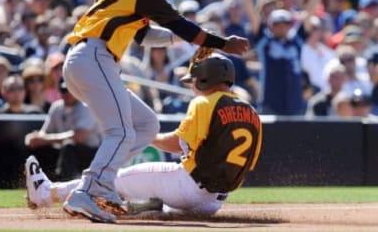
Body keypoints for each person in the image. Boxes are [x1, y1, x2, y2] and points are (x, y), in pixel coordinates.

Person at [61, 0, 249, 223]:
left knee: (146, 125)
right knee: (121, 132)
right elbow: (180, 24)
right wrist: (222, 43)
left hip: (87, 59)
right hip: (94, 57)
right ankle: (88, 190)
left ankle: (102, 183)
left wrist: (186, 39)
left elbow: (142, 35)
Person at [25, 54, 262, 218]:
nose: (191, 86)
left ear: (205, 79)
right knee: (157, 205)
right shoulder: (252, 112)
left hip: (186, 188)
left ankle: (45, 193)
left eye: (193, 80)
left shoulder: (204, 103)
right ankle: (147, 208)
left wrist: (148, 135)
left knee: (113, 178)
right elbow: (249, 164)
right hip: (214, 202)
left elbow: (175, 144)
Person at [25, 78, 102, 181]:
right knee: (40, 147)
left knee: (68, 146)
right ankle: (38, 183)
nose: (67, 94)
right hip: (65, 152)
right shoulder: (57, 107)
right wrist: (35, 138)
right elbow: (45, 133)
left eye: (70, 90)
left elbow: (79, 137)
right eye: (64, 90)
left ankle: (64, 185)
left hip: (92, 154)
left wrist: (44, 139)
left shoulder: (86, 106)